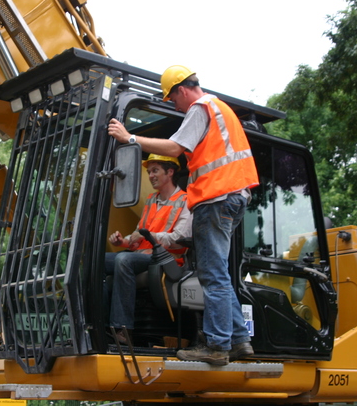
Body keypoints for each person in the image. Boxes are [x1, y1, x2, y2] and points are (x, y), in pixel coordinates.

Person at [108, 65, 259, 365]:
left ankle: (216, 346)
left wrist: (130, 139)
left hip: (216, 198)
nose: (173, 105)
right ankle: (240, 341)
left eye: (171, 98)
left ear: (182, 89)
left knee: (212, 275)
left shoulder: (201, 107)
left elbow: (176, 147)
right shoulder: (220, 110)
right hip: (231, 197)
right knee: (219, 275)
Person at [105, 154, 192, 343]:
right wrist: (124, 242)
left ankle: (123, 328)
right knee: (96, 260)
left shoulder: (185, 201)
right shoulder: (151, 200)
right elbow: (138, 234)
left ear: (170, 172)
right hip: (142, 256)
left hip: (166, 259)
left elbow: (179, 238)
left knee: (123, 260)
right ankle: (98, 323)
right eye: (149, 171)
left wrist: (148, 237)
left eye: (155, 171)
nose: (151, 175)